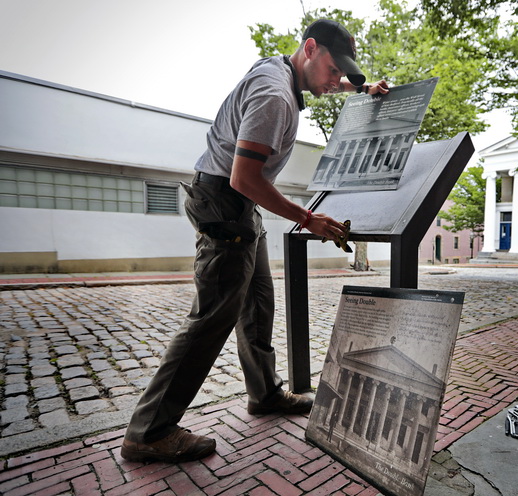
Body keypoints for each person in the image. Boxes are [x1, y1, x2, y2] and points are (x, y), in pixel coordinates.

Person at [121, 19, 390, 463]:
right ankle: (148, 430)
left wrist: (359, 90)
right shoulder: (275, 97)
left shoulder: (282, 69)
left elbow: (321, 83)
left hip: (240, 206)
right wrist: (307, 218)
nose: (333, 78)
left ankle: (264, 393)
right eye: (331, 68)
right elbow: (244, 176)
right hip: (227, 202)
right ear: (309, 48)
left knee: (258, 299)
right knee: (212, 318)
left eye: (342, 71)